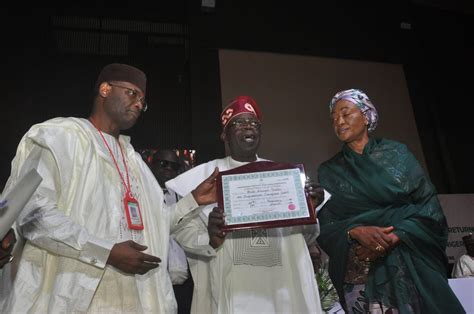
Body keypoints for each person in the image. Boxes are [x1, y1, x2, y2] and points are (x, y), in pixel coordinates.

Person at [0, 63, 218, 313]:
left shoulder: (136, 162)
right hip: (73, 295)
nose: (138, 104)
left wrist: (192, 200)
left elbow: (154, 226)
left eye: (143, 101)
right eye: (132, 93)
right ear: (105, 89)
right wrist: (106, 252)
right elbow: (33, 214)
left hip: (132, 299)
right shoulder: (60, 137)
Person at [166, 95, 323, 313]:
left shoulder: (284, 177)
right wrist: (210, 239)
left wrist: (310, 210)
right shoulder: (204, 177)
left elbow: (306, 237)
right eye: (239, 123)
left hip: (281, 289)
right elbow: (182, 234)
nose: (248, 127)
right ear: (224, 135)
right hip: (232, 289)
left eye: (253, 123)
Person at [317, 89, 465, 313]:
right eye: (334, 118)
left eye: (346, 114)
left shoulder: (397, 154)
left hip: (410, 257)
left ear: (366, 116)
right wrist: (355, 232)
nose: (339, 121)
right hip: (361, 267)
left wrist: (396, 236)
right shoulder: (329, 171)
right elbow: (326, 225)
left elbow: (428, 206)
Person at [149, 148, 194, 314]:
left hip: (181, 280)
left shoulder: (182, 196)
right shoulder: (142, 194)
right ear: (151, 165)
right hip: (153, 278)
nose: (168, 168)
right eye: (163, 164)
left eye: (174, 166)